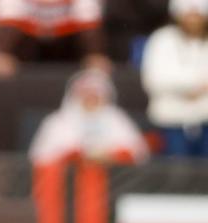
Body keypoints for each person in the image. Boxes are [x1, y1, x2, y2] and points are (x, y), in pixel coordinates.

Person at [29, 69, 149, 165]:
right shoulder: (57, 121)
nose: (90, 99)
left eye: (95, 95)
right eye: (86, 94)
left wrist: (110, 156)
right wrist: (79, 155)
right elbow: (41, 156)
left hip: (113, 181)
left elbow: (137, 153)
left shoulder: (118, 119)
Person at [141, 0, 208, 157]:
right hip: (170, 124)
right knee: (175, 177)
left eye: (197, 15)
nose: (193, 19)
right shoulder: (161, 39)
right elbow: (154, 80)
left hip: (205, 122)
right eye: (189, 15)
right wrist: (194, 86)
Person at [0, 0, 111, 78]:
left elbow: (90, 25)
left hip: (66, 48)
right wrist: (3, 53)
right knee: (2, 60)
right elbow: (7, 23)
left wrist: (95, 54)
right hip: (28, 48)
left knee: (95, 61)